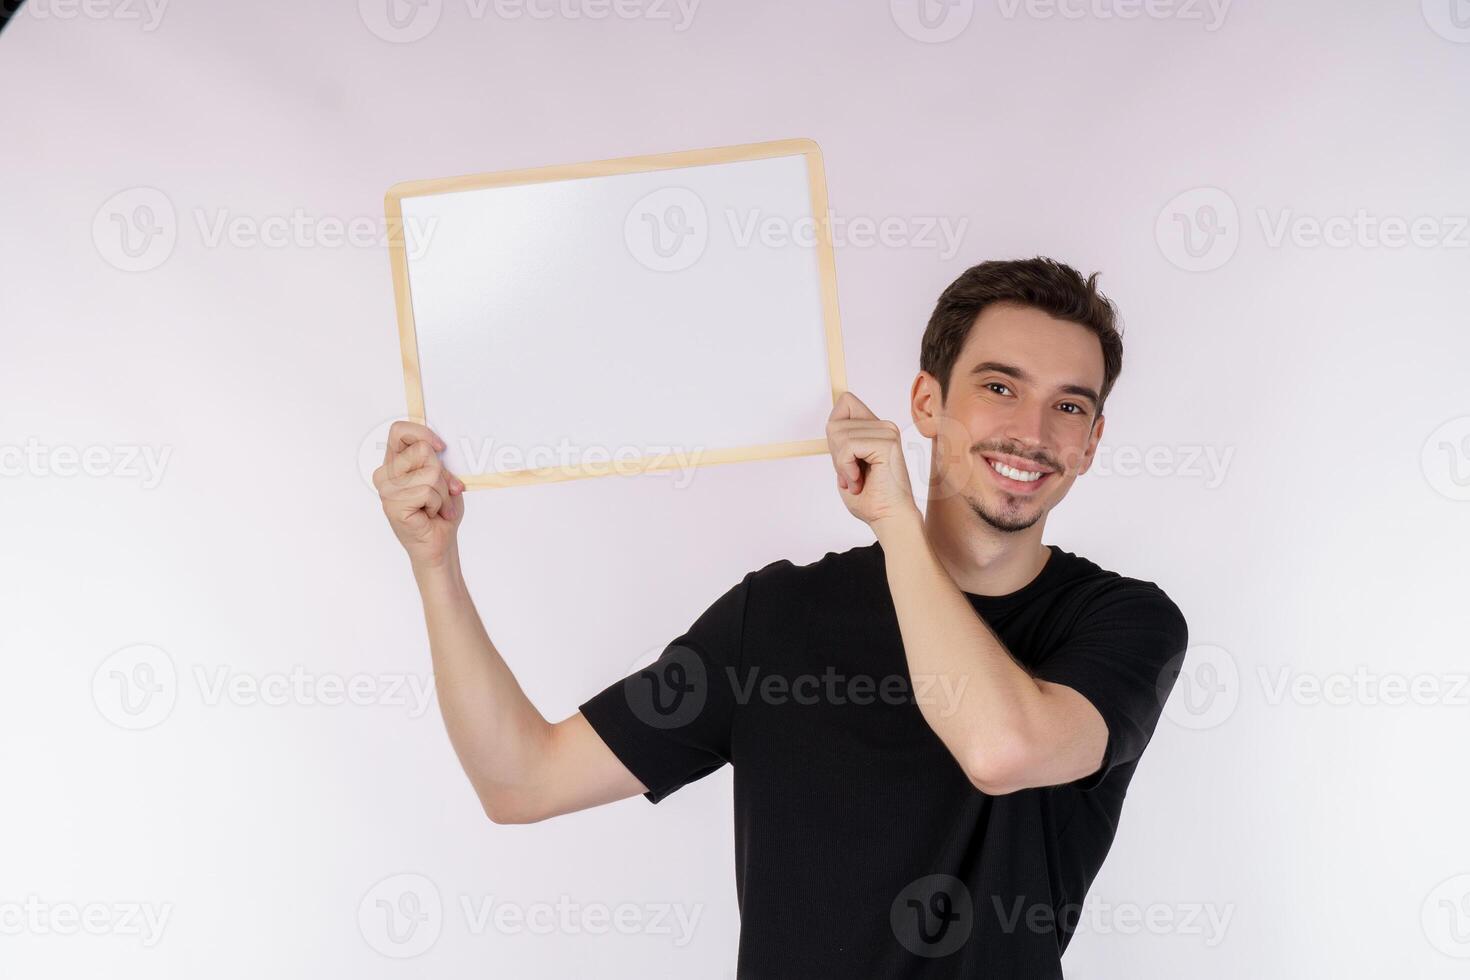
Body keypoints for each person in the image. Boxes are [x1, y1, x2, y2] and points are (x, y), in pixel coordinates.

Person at [373, 256, 1190, 977]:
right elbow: (521, 782)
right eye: (1000, 387)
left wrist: (898, 523)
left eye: (1069, 407)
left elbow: (1000, 748)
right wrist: (434, 563)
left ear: (1092, 441)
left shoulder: (1126, 625)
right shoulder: (779, 619)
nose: (1032, 432)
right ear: (928, 403)